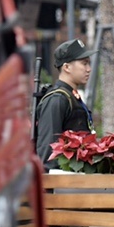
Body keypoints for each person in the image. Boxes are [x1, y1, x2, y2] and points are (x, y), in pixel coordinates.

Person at [33, 38, 94, 169]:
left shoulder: (71, 96)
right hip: (62, 179)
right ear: (66, 67)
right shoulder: (57, 99)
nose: (89, 69)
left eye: (89, 63)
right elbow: (48, 152)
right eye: (84, 63)